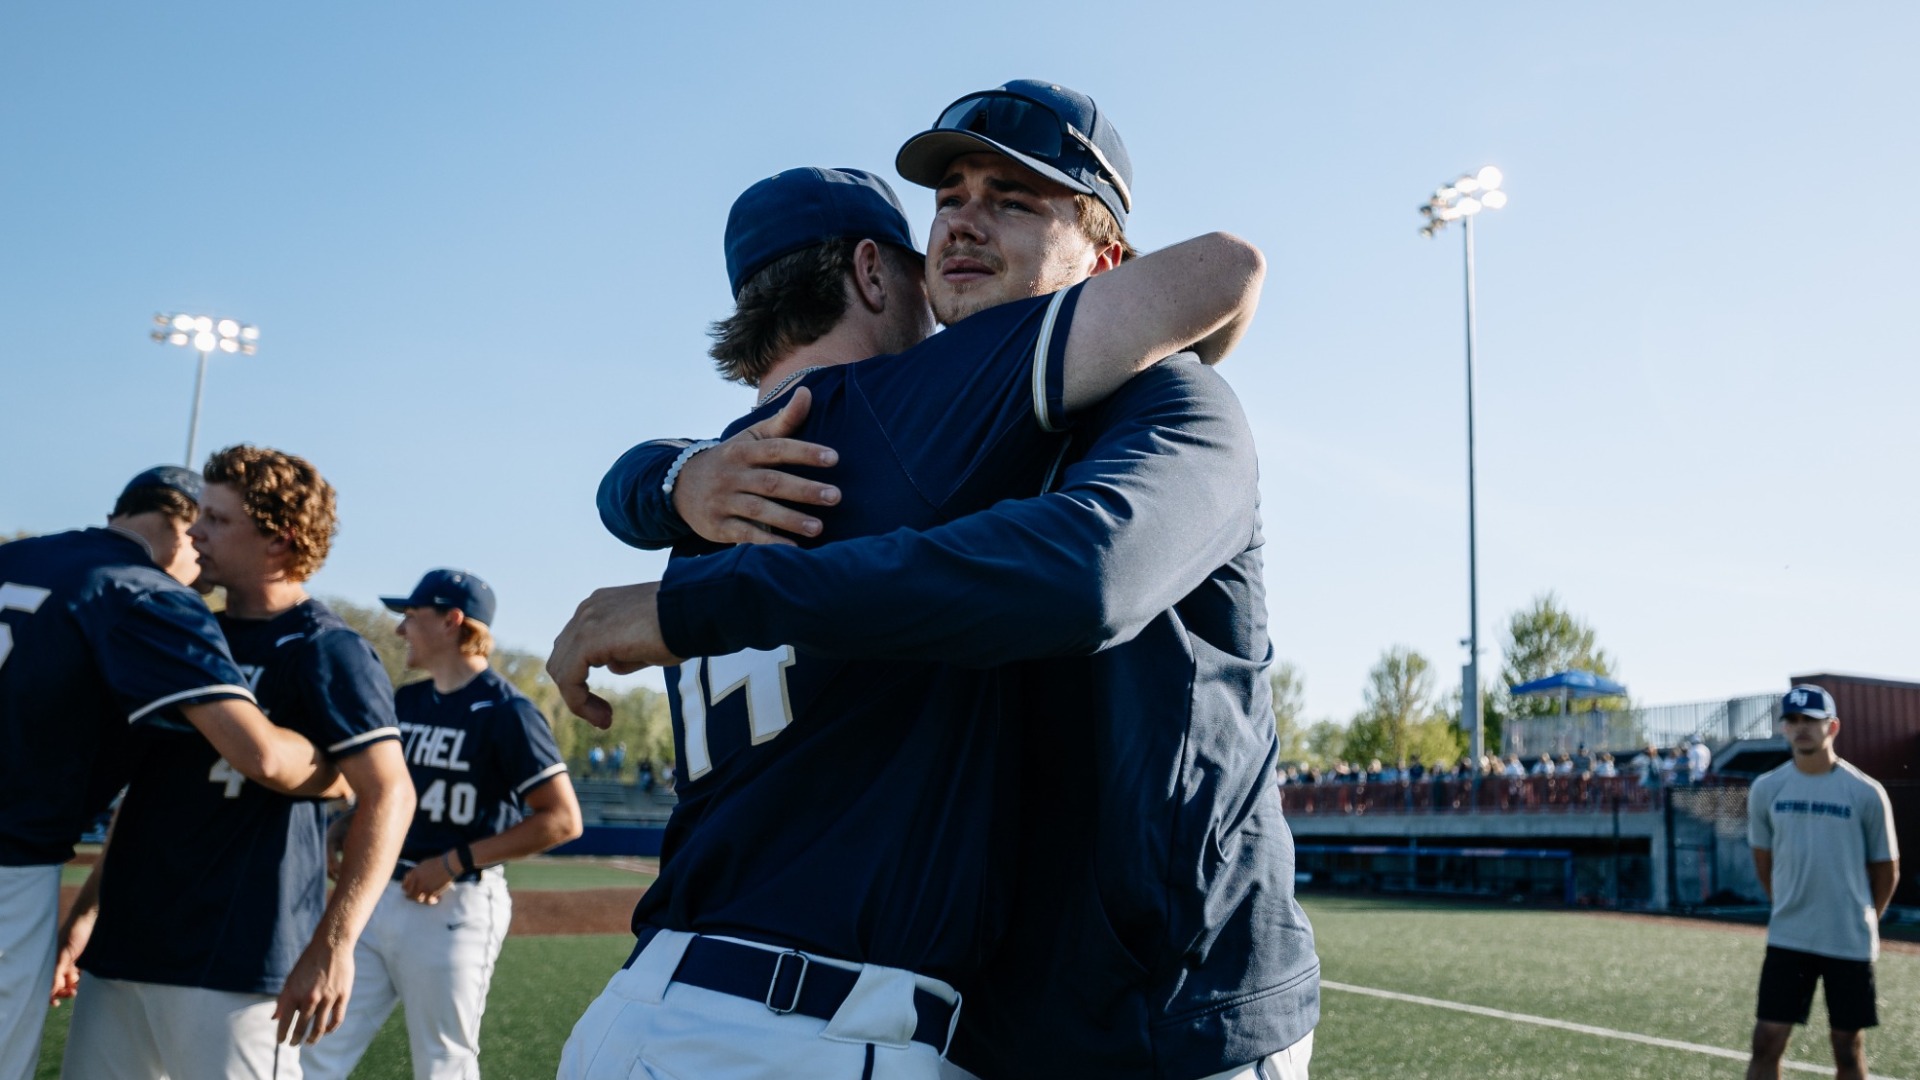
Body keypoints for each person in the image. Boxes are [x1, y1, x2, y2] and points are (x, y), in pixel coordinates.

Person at [555, 79, 1316, 1080]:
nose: (962, 222)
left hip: (1175, 1005)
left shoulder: (1178, 402)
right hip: (1000, 1016)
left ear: (1108, 260)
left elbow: (1083, 577)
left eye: (1013, 198)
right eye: (949, 197)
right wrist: (667, 480)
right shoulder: (914, 432)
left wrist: (683, 566)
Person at [61, 445, 416, 1079]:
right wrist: (87, 913)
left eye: (218, 520)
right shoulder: (185, 629)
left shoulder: (326, 648)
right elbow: (144, 793)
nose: (194, 530)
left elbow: (391, 793)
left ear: (279, 542)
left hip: (238, 958)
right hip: (127, 948)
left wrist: (334, 945)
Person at [0, 466, 342, 1080]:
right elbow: (259, 753)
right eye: (204, 525)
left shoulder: (14, 556)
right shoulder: (145, 591)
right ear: (186, 525)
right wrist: (337, 774)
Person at [303, 569, 581, 1080]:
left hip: (454, 906)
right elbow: (388, 793)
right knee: (316, 1048)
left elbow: (562, 820)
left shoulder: (506, 711)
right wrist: (345, 824)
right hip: (377, 894)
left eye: (411, 616)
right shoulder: (403, 701)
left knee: (443, 1064)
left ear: (452, 621)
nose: (400, 630)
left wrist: (456, 861)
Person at [1745, 685, 1899, 1080]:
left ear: (1832, 726)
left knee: (1847, 1049)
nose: (1801, 728)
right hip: (1789, 936)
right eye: (1793, 720)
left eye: (1810, 720)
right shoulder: (1766, 789)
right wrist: (1786, 905)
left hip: (1847, 939)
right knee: (1766, 1040)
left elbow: (1886, 870)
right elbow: (1764, 860)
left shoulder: (1866, 792)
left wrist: (1864, 916)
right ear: (1784, 728)